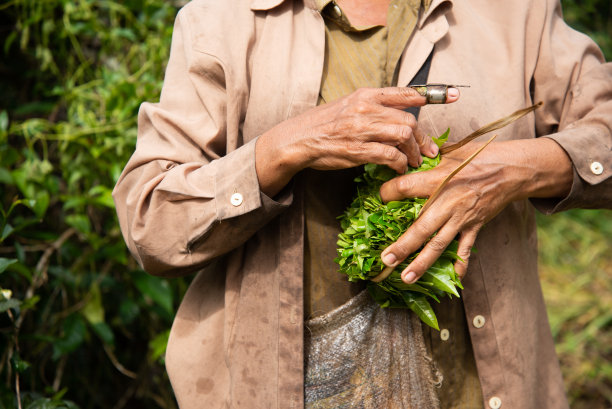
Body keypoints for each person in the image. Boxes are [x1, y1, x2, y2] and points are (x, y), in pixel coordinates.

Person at [112, 0, 612, 407]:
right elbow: (150, 224)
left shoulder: (513, 11)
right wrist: (283, 148)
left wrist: (513, 169)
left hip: (474, 390)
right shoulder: (222, 19)